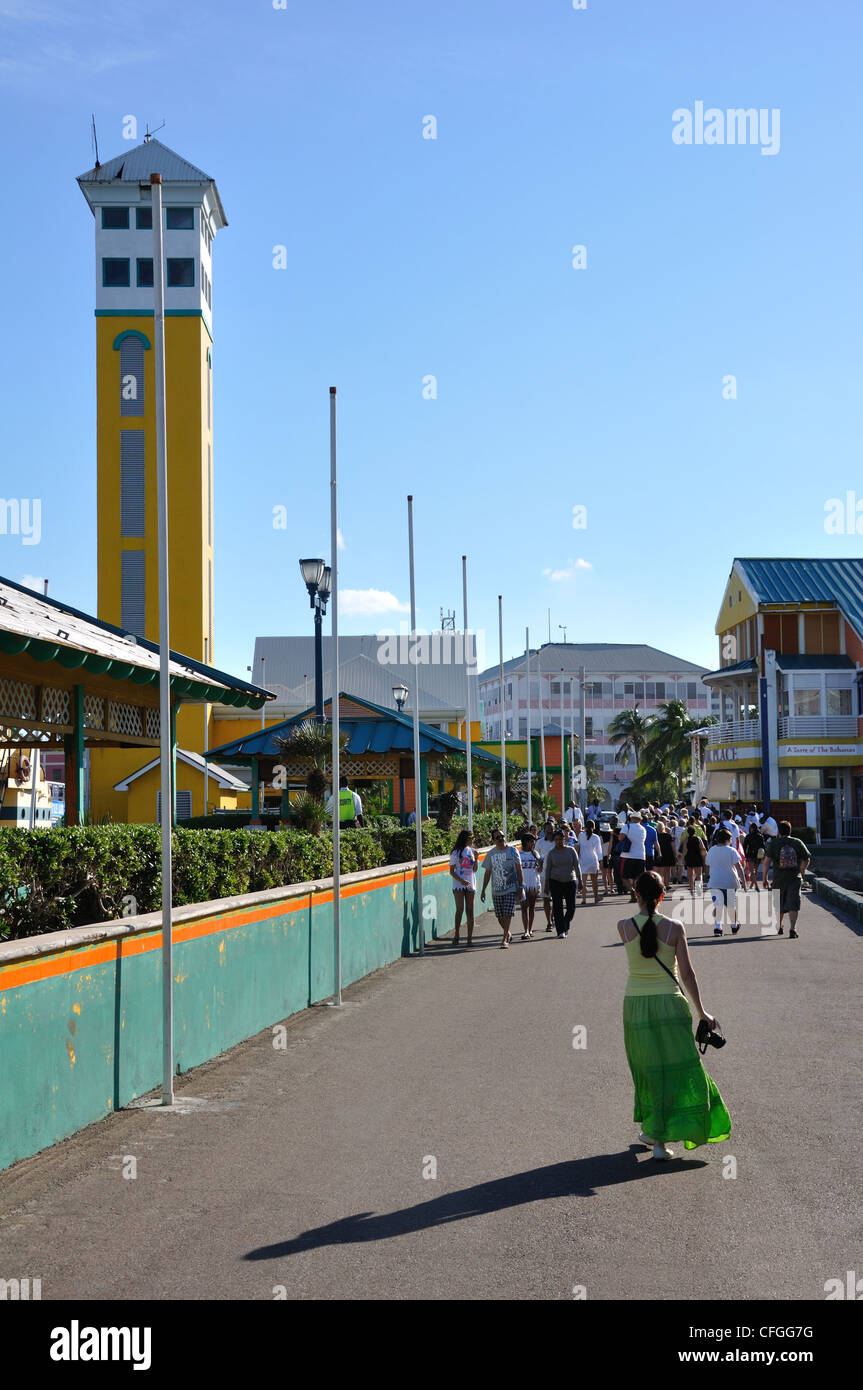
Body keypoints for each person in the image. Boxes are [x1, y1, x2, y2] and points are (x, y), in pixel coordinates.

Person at [617, 870, 732, 1160]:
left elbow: (644, 941)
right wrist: (702, 1012)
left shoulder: (623, 926)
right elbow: (689, 974)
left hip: (636, 1007)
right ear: (662, 895)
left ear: (637, 895)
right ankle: (657, 1139)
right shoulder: (675, 928)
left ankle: (653, 1130)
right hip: (671, 1005)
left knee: (648, 1071)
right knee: (680, 1069)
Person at [762, 821, 810, 937]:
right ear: (790, 830)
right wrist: (802, 872)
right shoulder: (797, 842)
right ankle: (793, 928)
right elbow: (807, 859)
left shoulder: (774, 843)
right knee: (793, 903)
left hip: (778, 878)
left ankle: (779, 925)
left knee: (779, 903)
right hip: (794, 877)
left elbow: (766, 862)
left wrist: (764, 878)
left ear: (779, 831)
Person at [480, 829, 524, 948]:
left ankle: (504, 939)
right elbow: (487, 873)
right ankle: (508, 933)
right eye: (498, 837)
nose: (501, 839)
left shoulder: (512, 851)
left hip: (510, 888)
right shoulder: (491, 854)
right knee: (499, 916)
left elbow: (519, 870)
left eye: (502, 836)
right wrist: (483, 889)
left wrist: (520, 887)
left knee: (508, 912)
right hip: (496, 890)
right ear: (493, 840)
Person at [541, 829, 583, 937]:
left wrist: (580, 880)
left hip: (570, 880)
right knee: (557, 907)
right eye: (556, 840)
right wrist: (546, 885)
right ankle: (560, 931)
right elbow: (548, 870)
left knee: (571, 907)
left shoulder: (571, 850)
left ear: (564, 839)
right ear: (554, 841)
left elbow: (577, 866)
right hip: (555, 881)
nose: (559, 841)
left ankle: (565, 923)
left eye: (561, 839)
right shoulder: (551, 853)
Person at [705, 828, 747, 935]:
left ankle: (718, 927)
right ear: (728, 839)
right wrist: (744, 882)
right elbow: (739, 867)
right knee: (731, 905)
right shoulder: (732, 850)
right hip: (730, 881)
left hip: (715, 882)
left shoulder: (711, 850)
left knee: (717, 905)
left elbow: (707, 864)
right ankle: (734, 925)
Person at [449, 829, 478, 946]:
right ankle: (457, 934)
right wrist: (461, 881)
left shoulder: (472, 851)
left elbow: (474, 869)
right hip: (458, 883)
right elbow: (451, 871)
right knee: (460, 909)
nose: (473, 840)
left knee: (470, 910)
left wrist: (476, 859)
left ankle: (469, 938)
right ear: (466, 839)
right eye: (471, 838)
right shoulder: (455, 852)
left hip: (470, 882)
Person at [534, 820, 558, 932]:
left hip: (557, 875)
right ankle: (549, 922)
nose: (549, 831)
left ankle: (552, 917)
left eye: (551, 828)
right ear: (544, 831)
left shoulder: (558, 842)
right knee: (546, 899)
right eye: (547, 829)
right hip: (544, 875)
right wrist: (538, 864)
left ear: (554, 829)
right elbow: (536, 856)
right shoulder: (539, 843)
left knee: (556, 899)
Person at [517, 831, 541, 939]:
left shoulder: (536, 854)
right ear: (525, 842)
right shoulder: (518, 854)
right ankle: (525, 930)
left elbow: (539, 870)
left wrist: (541, 864)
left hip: (534, 883)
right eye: (531, 841)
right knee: (523, 907)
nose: (533, 843)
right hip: (523, 884)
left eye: (534, 841)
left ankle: (530, 929)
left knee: (532, 907)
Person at [622, 811, 647, 901]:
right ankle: (637, 894)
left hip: (628, 855)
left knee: (624, 877)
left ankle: (632, 891)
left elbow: (621, 837)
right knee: (637, 878)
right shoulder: (643, 829)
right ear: (640, 820)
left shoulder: (627, 826)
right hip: (641, 855)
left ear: (632, 819)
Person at [577, 819, 603, 904]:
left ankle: (584, 899)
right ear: (594, 827)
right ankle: (596, 897)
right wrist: (601, 861)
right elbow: (599, 851)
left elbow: (578, 846)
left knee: (583, 881)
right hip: (593, 860)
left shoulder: (581, 835)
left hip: (583, 860)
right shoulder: (596, 837)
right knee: (594, 881)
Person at [683, 822, 706, 894]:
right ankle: (699, 888)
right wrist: (704, 858)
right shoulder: (698, 839)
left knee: (690, 874)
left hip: (689, 857)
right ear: (695, 831)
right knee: (699, 874)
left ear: (688, 832)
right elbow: (703, 849)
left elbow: (684, 850)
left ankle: (691, 889)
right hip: (697, 857)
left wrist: (684, 858)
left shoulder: (686, 840)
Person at [742, 821, 766, 891]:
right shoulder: (760, 836)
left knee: (752, 871)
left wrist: (745, 855)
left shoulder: (748, 836)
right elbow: (763, 846)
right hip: (758, 855)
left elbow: (745, 846)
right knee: (756, 871)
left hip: (750, 854)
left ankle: (755, 885)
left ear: (751, 828)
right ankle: (753, 885)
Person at [655, 819, 676, 889]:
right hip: (668, 854)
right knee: (667, 870)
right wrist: (675, 854)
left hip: (659, 854)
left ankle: (661, 885)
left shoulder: (656, 836)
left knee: (660, 871)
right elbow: (673, 846)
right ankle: (667, 884)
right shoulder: (668, 835)